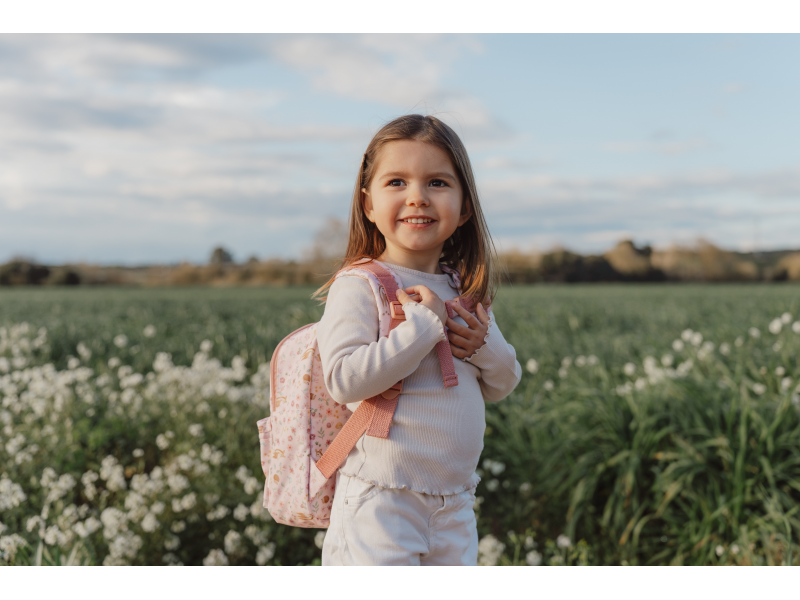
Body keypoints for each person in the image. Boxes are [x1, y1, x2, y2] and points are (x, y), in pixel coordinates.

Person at [314, 114, 522, 566]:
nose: (417, 197)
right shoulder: (361, 284)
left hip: (454, 504)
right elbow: (343, 379)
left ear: (464, 208)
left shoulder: (462, 288)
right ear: (368, 205)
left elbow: (503, 382)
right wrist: (423, 329)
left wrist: (483, 346)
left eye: (437, 183)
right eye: (396, 182)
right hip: (381, 502)